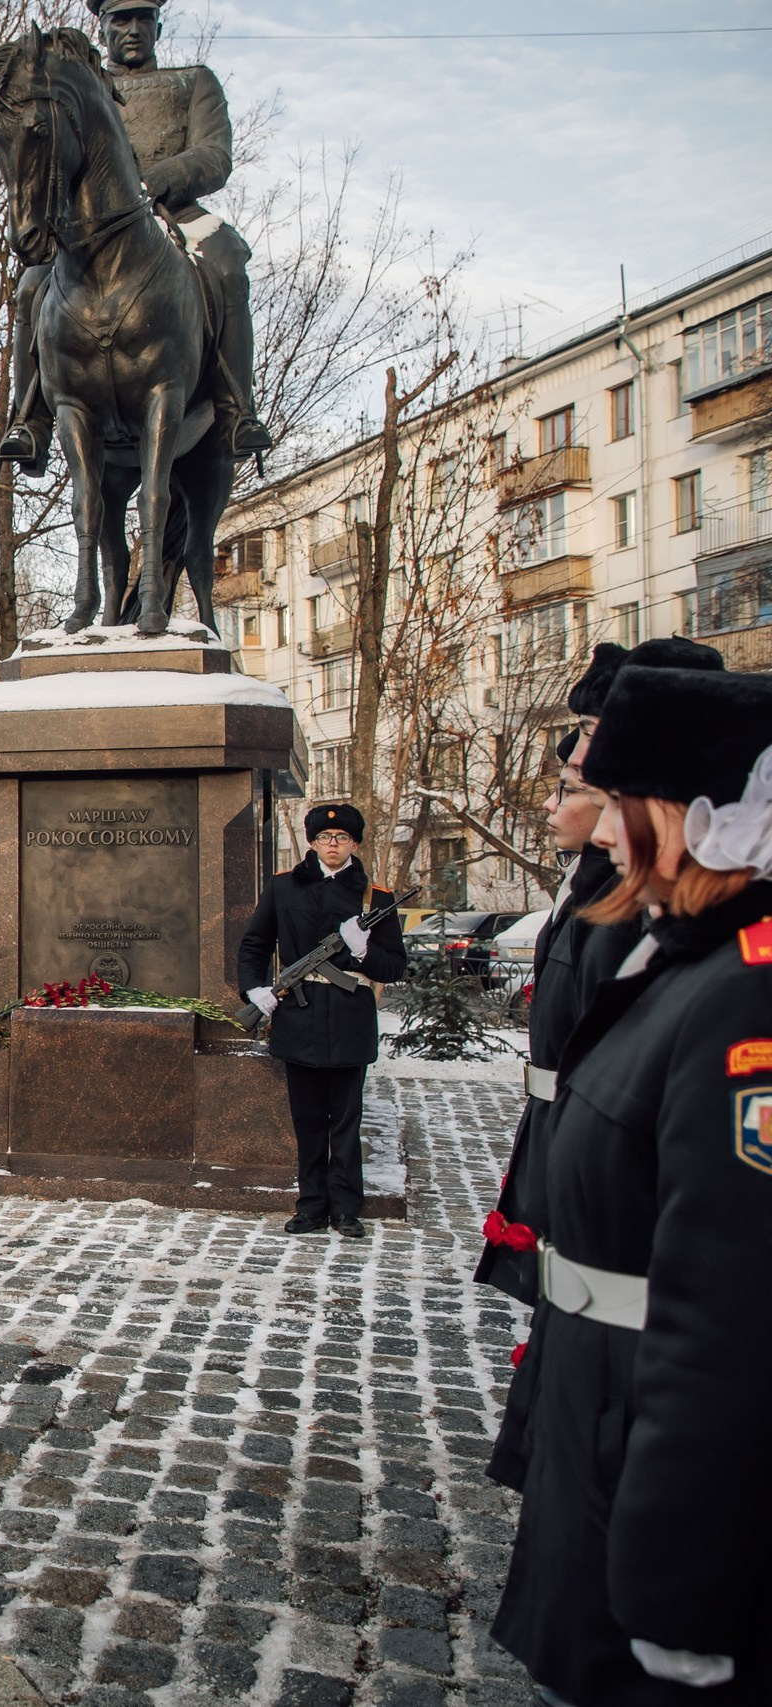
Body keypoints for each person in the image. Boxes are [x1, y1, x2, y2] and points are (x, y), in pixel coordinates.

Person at [489, 663, 772, 1704]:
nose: (602, 834)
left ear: (694, 815)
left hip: (644, 1433)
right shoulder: (684, 962)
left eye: (622, 807)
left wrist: (678, 1589)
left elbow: (729, 1317)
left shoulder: (747, 997)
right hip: (595, 1403)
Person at [1, 0, 271, 477]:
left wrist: (161, 177)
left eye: (141, 20)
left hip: (176, 213)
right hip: (95, 230)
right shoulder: (79, 89)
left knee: (228, 264)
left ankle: (235, 409)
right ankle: (31, 421)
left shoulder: (194, 82)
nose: (131, 30)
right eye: (119, 21)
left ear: (158, 26)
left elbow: (215, 154)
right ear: (101, 28)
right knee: (29, 287)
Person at [238, 803, 408, 1238]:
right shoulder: (283, 888)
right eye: (325, 838)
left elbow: (394, 967)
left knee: (347, 1118)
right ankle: (311, 1205)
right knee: (308, 1119)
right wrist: (255, 989)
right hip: (299, 1013)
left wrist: (365, 950)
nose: (333, 845)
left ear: (355, 844)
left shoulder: (377, 898)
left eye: (342, 838)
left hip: (350, 1016)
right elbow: (255, 943)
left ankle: (347, 1208)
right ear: (312, 842)